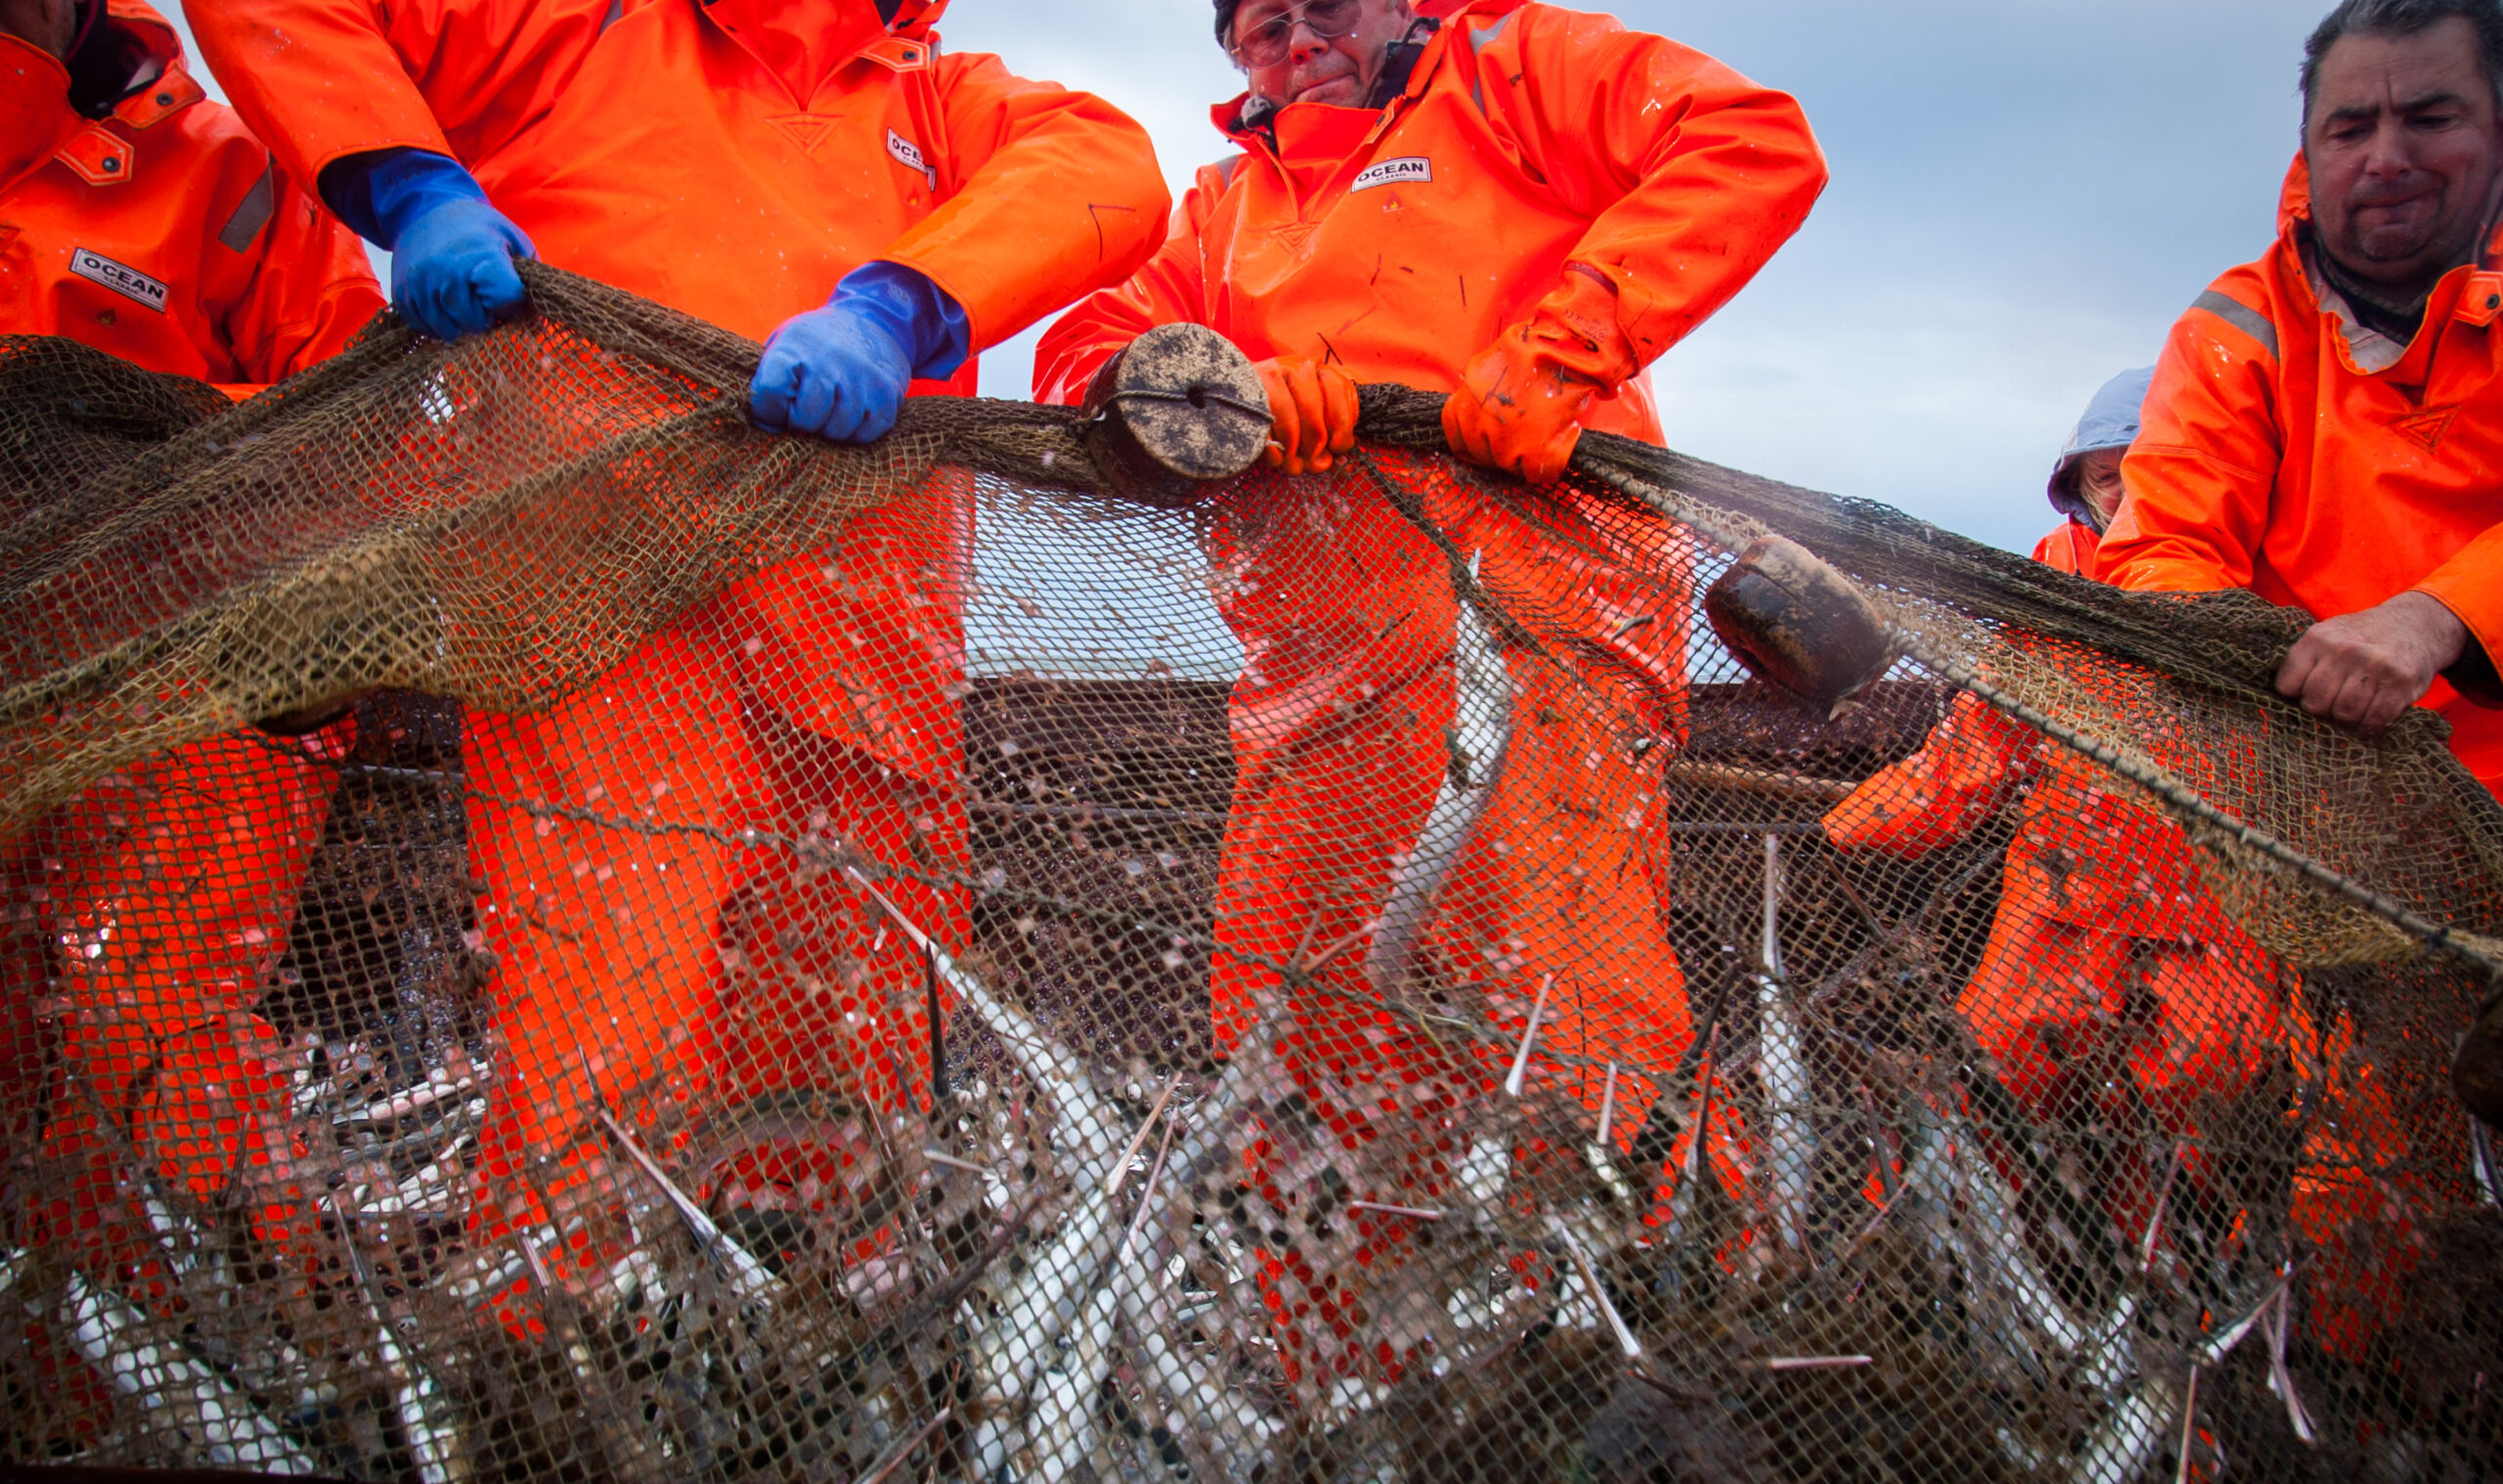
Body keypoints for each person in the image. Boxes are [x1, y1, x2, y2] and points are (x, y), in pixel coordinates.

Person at [188, 0, 1169, 1299]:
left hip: (868, 655)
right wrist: (409, 182)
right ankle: (560, 1374)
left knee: (855, 1063)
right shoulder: (565, 29)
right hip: (604, 625)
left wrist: (899, 304)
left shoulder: (943, 93)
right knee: (602, 1041)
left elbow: (1110, 164)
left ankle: (827, 1370)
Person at [1034, 0, 1823, 1375]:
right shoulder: (1218, 211)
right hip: (1312, 676)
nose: (1295, 44)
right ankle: (1339, 1380)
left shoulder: (1512, 76)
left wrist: (1560, 350)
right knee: (1301, 1016)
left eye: (1323, 6)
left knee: (1566, 1010)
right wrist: (1223, 385)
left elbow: (1750, 140)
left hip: (1542, 641)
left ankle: (1647, 1351)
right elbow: (1093, 357)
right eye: (1258, 27)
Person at [3, 0, 385, 1334]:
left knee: (141, 1031)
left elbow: (353, 411)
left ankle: (239, 1367)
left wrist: (132, 448)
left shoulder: (228, 169)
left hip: (194, 675)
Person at [1822, 369, 2286, 1262]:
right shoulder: (2054, 581)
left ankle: (2171, 1308)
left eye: (2159, 468)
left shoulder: (2267, 582)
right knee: (1975, 1100)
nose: (2132, 495)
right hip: (2062, 904)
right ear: (2080, 488)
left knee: (2198, 1138)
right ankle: (1913, 1271)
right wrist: (1846, 829)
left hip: (2222, 927)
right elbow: (1982, 742)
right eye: (2109, 477)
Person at [2098, 0, 2503, 798]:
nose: (2386, 157)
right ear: (2309, 150)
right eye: (2350, 129)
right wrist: (2244, 661)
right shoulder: (2234, 327)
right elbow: (2162, 550)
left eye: (2430, 118)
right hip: (2323, 810)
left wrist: (2432, 617)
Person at [2035, 367, 2154, 580]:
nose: (2127, 492)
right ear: (2083, 490)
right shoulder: (2056, 556)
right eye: (2106, 478)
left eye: (2142, 470)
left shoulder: (2228, 542)